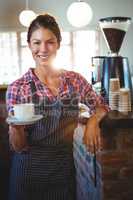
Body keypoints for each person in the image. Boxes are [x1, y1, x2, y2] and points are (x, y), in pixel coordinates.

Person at [6, 14, 109, 200]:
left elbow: (101, 106)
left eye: (50, 42)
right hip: (28, 173)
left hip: (63, 171)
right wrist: (16, 128)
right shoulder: (18, 88)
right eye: (36, 42)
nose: (43, 49)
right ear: (29, 44)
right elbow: (19, 147)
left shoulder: (74, 80)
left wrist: (93, 121)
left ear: (58, 44)